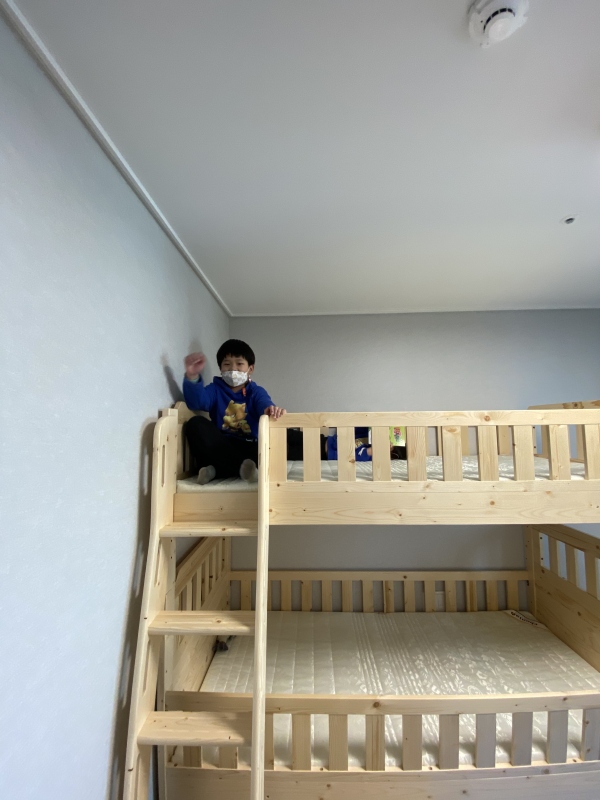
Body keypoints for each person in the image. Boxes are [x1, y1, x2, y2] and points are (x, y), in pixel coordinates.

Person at [183, 339, 285, 484]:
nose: (233, 369)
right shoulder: (215, 389)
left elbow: (263, 403)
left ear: (250, 369)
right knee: (195, 424)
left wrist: (269, 410)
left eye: (239, 363)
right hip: (222, 444)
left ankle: (216, 470)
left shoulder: (255, 392)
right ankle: (240, 468)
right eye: (227, 364)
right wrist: (192, 376)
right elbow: (197, 402)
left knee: (274, 446)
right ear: (220, 368)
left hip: (249, 445)